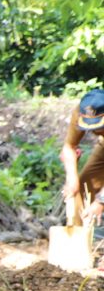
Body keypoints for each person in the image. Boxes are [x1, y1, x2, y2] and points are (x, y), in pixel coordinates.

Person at [59, 90, 104, 223]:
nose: (95, 131)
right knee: (84, 188)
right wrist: (72, 178)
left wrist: (101, 201)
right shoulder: (80, 112)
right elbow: (69, 147)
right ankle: (78, 237)